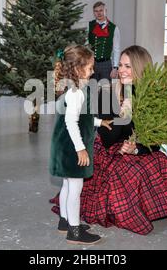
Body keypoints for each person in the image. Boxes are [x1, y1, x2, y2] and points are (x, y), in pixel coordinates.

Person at [51, 45, 167, 235]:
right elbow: (108, 137)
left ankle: (155, 208)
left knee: (162, 163)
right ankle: (86, 218)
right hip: (108, 148)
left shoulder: (151, 98)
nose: (122, 71)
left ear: (140, 67)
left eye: (127, 66)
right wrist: (123, 112)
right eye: (120, 65)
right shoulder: (107, 93)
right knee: (128, 171)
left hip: (137, 148)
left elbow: (155, 139)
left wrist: (136, 148)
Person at [49, 45, 112, 245]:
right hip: (71, 148)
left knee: (67, 185)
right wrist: (80, 148)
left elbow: (81, 117)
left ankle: (65, 221)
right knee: (75, 188)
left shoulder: (72, 89)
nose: (93, 71)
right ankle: (74, 232)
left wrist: (98, 122)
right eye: (90, 68)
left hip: (62, 146)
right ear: (77, 70)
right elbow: (71, 122)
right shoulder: (76, 93)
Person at [88, 1, 120, 82]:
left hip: (106, 64)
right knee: (92, 89)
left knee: (105, 91)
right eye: (96, 11)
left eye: (101, 10)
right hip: (92, 63)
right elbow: (86, 45)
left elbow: (116, 49)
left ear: (106, 11)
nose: (99, 13)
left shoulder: (114, 28)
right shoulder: (89, 25)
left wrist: (115, 68)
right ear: (93, 13)